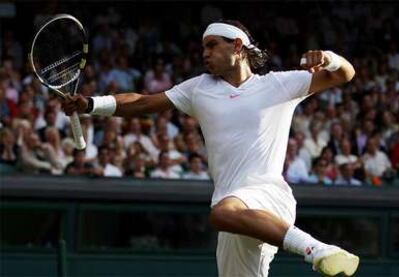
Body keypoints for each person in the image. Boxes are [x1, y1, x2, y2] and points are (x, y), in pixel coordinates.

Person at [62, 20, 359, 277]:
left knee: (220, 214)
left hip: (269, 196)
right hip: (237, 209)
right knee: (226, 219)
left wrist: (330, 58)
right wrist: (91, 104)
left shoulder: (280, 84)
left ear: (238, 46)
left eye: (212, 45)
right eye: (203, 47)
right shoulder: (198, 88)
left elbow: (344, 74)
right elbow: (142, 102)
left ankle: (316, 249)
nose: (205, 53)